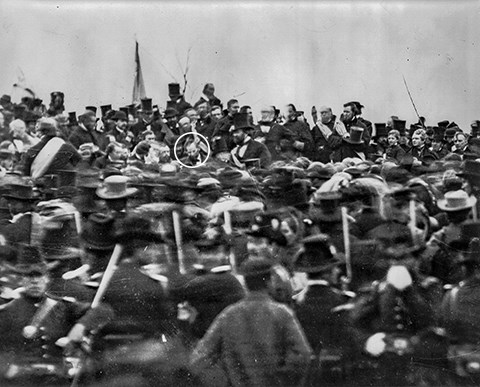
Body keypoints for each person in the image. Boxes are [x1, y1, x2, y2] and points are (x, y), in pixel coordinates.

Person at [0, 243, 113, 385]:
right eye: (29, 276)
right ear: (21, 279)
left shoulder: (62, 306)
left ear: (47, 278)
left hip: (56, 381)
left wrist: (80, 327)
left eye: (39, 275)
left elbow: (104, 310)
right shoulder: (7, 313)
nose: (35, 281)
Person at [190, 258, 312, 387]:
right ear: (269, 282)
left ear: (245, 284)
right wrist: (283, 380)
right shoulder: (282, 313)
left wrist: (226, 381)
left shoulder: (228, 315)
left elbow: (198, 359)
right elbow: (303, 354)